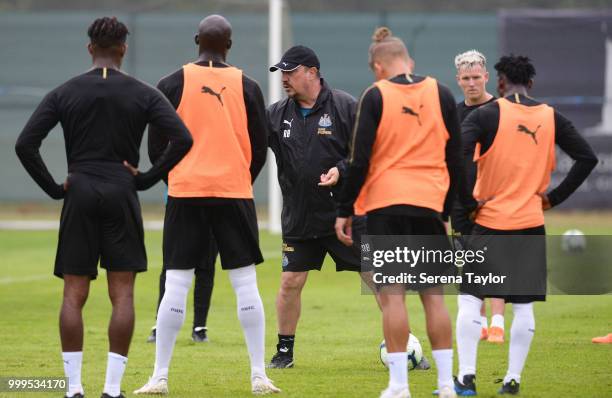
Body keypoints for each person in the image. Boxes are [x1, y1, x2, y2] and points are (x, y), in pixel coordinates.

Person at [15, 16, 193, 398]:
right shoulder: (143, 93)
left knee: (73, 294)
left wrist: (53, 188)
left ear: (89, 48)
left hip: (79, 190)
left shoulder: (66, 92)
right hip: (120, 191)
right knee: (123, 294)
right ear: (123, 49)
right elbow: (182, 137)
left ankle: (73, 388)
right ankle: (112, 390)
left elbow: (25, 143)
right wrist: (145, 178)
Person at [134, 15, 280, 395]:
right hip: (234, 193)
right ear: (229, 44)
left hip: (186, 192)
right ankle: (259, 375)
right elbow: (261, 146)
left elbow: (155, 146)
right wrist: (239, 179)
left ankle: (159, 377)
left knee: (177, 283)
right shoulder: (248, 85)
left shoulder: (170, 83)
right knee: (245, 282)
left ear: (196, 39)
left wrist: (175, 179)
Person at [455, 54, 598, 396]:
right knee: (523, 305)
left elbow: (456, 155)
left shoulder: (486, 114)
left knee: (471, 300)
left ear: (499, 83)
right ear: (531, 83)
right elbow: (587, 158)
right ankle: (512, 380)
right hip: (531, 223)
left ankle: (467, 378)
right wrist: (554, 198)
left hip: (489, 224)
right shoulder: (551, 116)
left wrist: (469, 204)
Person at [336, 27, 466, 398]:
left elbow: (358, 160)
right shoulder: (441, 92)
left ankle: (399, 386)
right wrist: (446, 208)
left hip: (384, 206)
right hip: (428, 205)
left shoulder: (375, 95)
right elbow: (455, 158)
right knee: (433, 295)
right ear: (408, 61)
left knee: (392, 295)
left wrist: (344, 209)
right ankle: (445, 385)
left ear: (378, 66)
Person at [266, 45, 389, 369]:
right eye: (282, 73)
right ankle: (284, 352)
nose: (284, 79)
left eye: (290, 72)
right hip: (300, 217)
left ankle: (403, 347)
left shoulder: (346, 107)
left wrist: (341, 170)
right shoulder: (277, 114)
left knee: (377, 277)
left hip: (345, 216)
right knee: (290, 282)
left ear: (312, 72)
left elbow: (367, 154)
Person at [452, 49, 505, 344]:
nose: (472, 83)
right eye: (466, 78)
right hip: (461, 200)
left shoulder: (501, 111)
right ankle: (480, 323)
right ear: (458, 80)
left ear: (487, 77)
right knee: (468, 261)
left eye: (476, 77)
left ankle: (498, 323)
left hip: (494, 197)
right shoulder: (454, 115)